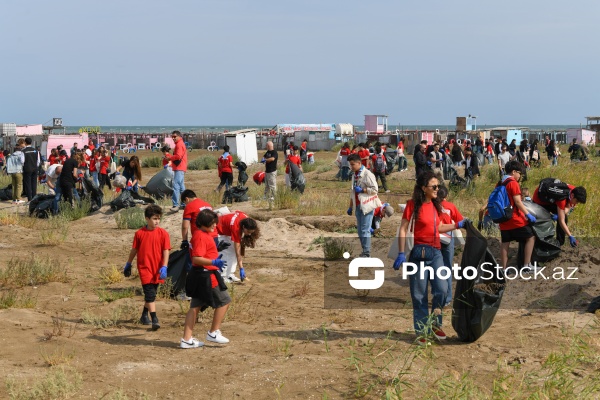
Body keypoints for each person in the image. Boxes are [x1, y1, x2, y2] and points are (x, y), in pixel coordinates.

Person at [392, 171, 463, 344]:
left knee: (443, 289)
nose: (437, 189)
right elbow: (403, 229)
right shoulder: (412, 205)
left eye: (438, 186)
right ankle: (422, 331)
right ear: (424, 188)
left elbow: (438, 227)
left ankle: (435, 322)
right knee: (418, 295)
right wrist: (401, 253)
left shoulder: (436, 206)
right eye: (434, 186)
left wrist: (457, 225)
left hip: (436, 253)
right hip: (418, 254)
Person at [180, 209, 231, 348]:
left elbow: (203, 252)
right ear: (204, 223)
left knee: (195, 307)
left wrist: (216, 250)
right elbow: (196, 258)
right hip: (205, 276)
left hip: (200, 275)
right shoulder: (201, 236)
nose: (215, 225)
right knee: (224, 301)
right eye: (212, 223)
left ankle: (186, 339)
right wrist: (213, 262)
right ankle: (213, 332)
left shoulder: (201, 234)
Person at [123, 204, 170, 331]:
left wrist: (164, 266)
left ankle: (144, 315)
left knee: (152, 294)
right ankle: (154, 319)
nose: (157, 221)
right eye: (154, 218)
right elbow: (134, 249)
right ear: (147, 219)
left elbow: (166, 251)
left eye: (158, 218)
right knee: (149, 293)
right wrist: (128, 263)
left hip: (158, 268)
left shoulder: (163, 234)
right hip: (144, 268)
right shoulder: (139, 234)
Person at [496, 161, 536, 273]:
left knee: (505, 243)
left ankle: (503, 269)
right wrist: (528, 214)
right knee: (531, 237)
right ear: (513, 172)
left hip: (503, 219)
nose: (520, 176)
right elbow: (518, 202)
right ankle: (527, 265)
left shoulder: (500, 182)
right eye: (519, 173)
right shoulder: (513, 183)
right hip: (514, 218)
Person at [437, 185, 466, 307]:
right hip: (448, 236)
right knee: (447, 268)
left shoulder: (432, 206)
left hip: (434, 237)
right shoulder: (450, 206)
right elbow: (459, 221)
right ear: (446, 196)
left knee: (436, 268)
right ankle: (447, 298)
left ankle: (438, 296)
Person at [532, 182, 586, 247]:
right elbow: (561, 221)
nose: (577, 203)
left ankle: (559, 243)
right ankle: (538, 242)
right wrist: (570, 236)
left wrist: (559, 215)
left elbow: (568, 207)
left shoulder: (574, 191)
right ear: (572, 196)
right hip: (540, 200)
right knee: (544, 219)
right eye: (577, 201)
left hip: (552, 199)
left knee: (563, 216)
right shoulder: (562, 199)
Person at [346, 153, 378, 258]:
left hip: (366, 206)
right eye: (350, 165)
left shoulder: (367, 174)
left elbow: (375, 190)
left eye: (353, 164)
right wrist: (351, 206)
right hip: (358, 206)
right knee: (360, 231)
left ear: (359, 163)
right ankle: (364, 250)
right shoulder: (354, 175)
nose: (351, 167)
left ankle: (367, 253)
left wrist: (363, 190)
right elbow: (352, 192)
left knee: (365, 229)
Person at [216, 211, 260, 283]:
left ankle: (230, 273)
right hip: (218, 230)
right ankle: (223, 276)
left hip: (227, 230)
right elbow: (238, 251)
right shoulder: (236, 228)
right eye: (248, 232)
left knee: (232, 251)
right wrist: (241, 268)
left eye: (251, 232)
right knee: (226, 252)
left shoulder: (246, 218)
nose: (249, 234)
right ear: (243, 227)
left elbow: (236, 211)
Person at [170, 130, 188, 211]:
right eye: (172, 137)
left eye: (174, 136)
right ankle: (184, 203)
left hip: (179, 167)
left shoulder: (179, 145)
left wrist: (170, 157)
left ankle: (175, 205)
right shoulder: (180, 144)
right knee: (181, 187)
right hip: (181, 167)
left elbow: (178, 156)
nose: (173, 138)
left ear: (179, 136)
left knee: (176, 186)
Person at [22, 137, 41, 202]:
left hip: (27, 169)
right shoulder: (36, 150)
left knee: (28, 184)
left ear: (25, 142)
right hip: (34, 168)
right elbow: (38, 161)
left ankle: (29, 199)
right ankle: (34, 198)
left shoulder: (23, 151)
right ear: (31, 142)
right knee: (34, 183)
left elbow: (22, 161)